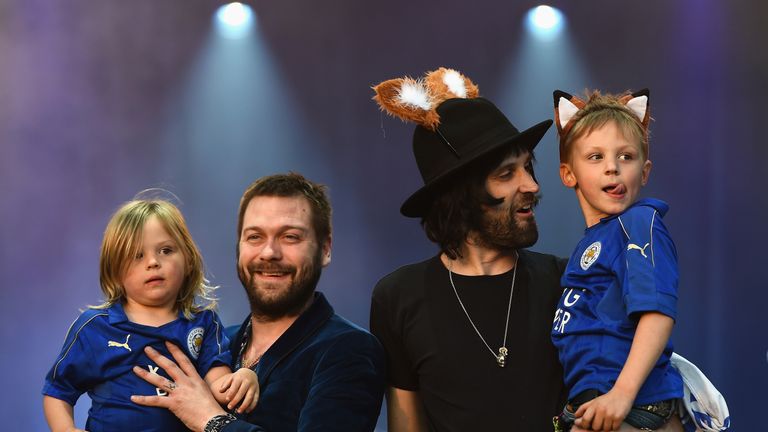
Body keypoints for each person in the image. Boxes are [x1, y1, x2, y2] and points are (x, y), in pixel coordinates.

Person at [369, 67, 567, 431]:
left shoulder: (567, 281)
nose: (531, 185)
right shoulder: (398, 297)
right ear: (461, 196)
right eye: (506, 174)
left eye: (527, 167)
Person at [131, 173, 386, 432]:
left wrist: (212, 421)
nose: (269, 253)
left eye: (290, 237)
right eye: (255, 237)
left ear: (325, 249)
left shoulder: (349, 349)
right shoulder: (214, 344)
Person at [42, 198, 258, 432]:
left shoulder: (204, 323)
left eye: (166, 250)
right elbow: (58, 389)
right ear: (114, 271)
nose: (153, 262)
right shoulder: (95, 327)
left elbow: (218, 386)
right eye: (137, 256)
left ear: (188, 260)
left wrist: (243, 378)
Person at [550, 89, 684, 431]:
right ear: (568, 174)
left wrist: (623, 393)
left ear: (645, 171)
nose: (612, 167)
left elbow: (656, 314)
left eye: (626, 156)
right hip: (595, 404)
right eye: (595, 157)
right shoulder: (593, 241)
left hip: (632, 403)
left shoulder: (638, 223)